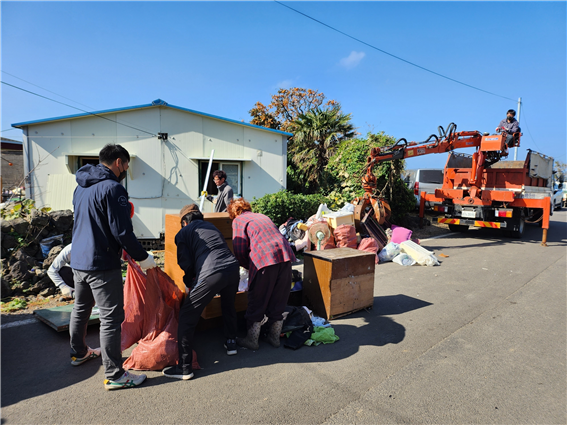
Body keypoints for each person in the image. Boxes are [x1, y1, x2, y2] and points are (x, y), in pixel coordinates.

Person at [70, 143, 156, 391]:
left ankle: (78, 353)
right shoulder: (113, 188)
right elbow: (122, 232)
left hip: (79, 259)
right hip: (101, 263)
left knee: (81, 307)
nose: (126, 169)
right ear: (119, 162)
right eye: (126, 164)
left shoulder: (81, 187)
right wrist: (143, 258)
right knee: (111, 318)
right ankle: (115, 374)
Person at [162, 204, 240, 380]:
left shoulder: (183, 232)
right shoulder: (211, 227)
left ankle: (184, 367)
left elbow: (185, 263)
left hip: (212, 272)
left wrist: (190, 282)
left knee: (186, 316)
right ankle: (231, 343)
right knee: (228, 305)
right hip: (233, 269)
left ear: (183, 221)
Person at [227, 198, 296, 350]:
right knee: (279, 298)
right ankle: (274, 338)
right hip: (285, 256)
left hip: (264, 258)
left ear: (233, 212)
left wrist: (248, 266)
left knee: (257, 298)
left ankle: (252, 340)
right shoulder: (262, 216)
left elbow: (239, 249)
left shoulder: (239, 221)